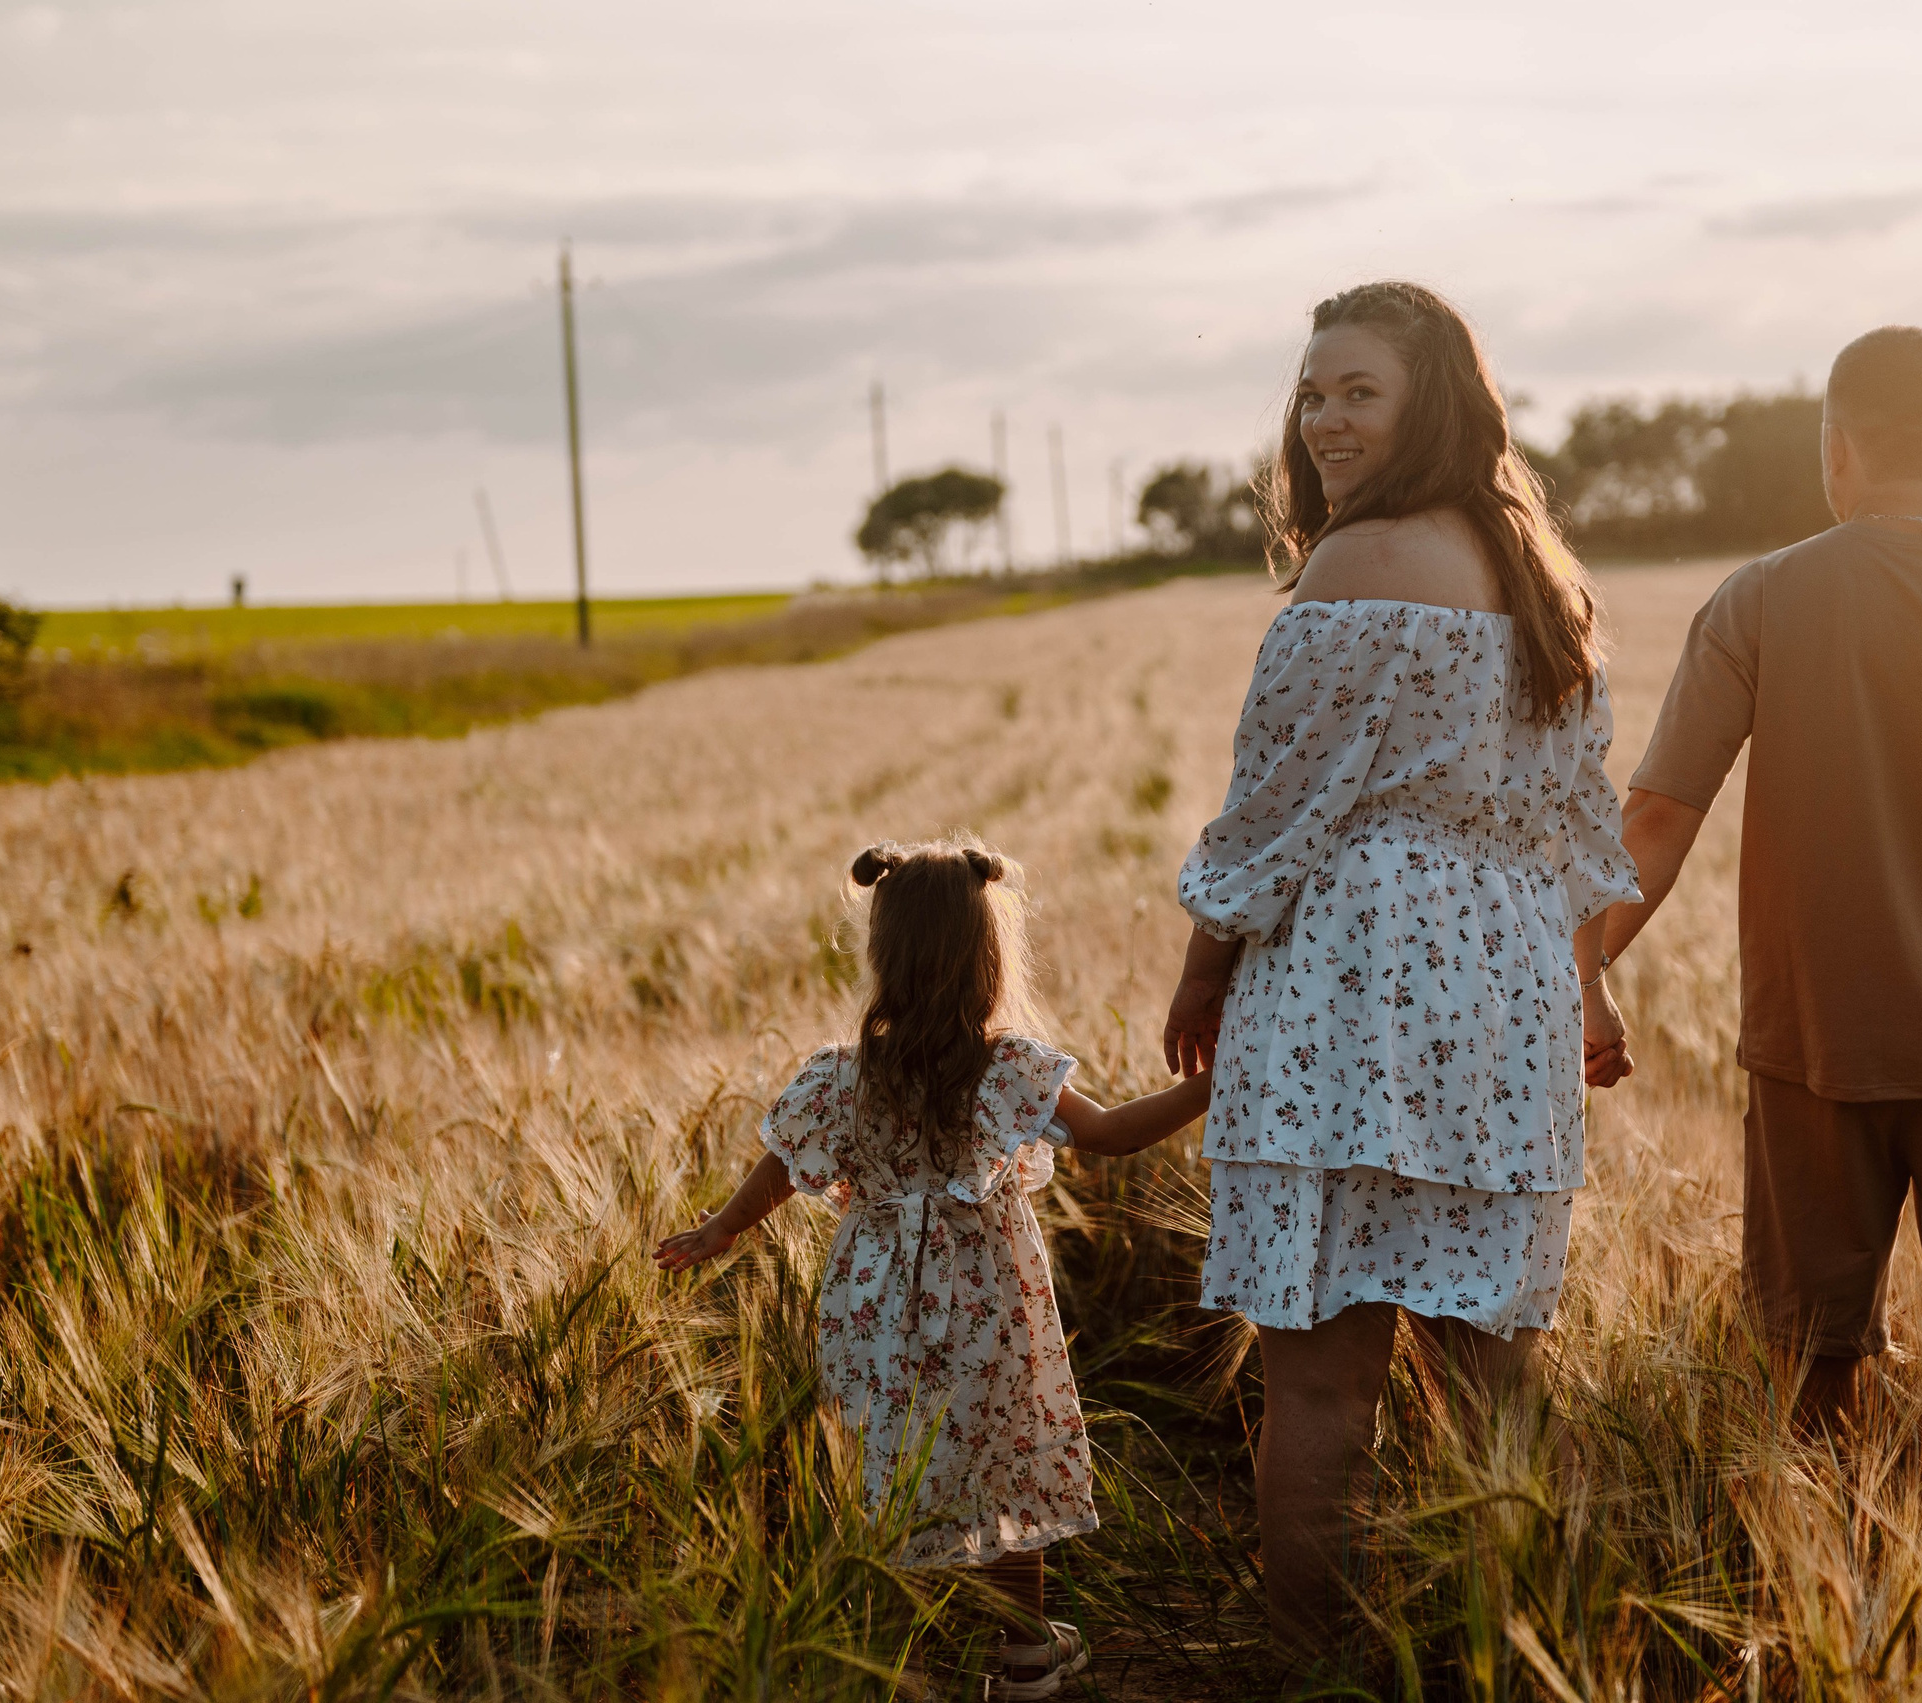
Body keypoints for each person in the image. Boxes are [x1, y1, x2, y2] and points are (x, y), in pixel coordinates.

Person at [1161, 281, 1640, 1645]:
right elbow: (1574, 825)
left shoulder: (1356, 566)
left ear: (1430, 397)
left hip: (1351, 992)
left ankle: (1317, 1664)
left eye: (1357, 390)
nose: (1322, 421)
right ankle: (1519, 1643)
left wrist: (1205, 969)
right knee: (1495, 1382)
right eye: (1311, 394)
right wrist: (1588, 984)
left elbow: (1272, 812)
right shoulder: (1543, 574)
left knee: (1323, 1390)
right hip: (1503, 999)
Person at [1601, 326, 1922, 1435]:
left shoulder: (1760, 597)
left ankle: (1814, 1571)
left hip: (1814, 1046)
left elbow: (1653, 817)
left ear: (1835, 447)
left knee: (1808, 1362)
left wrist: (1575, 965)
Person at [654, 839, 1211, 1701]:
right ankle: (1025, 1647)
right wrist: (1212, 1088)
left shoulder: (841, 1076)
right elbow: (1111, 1133)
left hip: (873, 1301)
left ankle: (890, 1647)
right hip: (985, 1298)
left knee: (885, 1455)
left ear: (882, 952)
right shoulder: (1005, 1066)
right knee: (1002, 1449)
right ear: (988, 954)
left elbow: (783, 1161)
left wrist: (721, 1228)